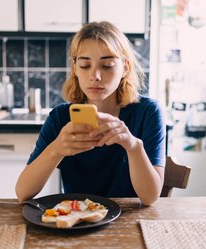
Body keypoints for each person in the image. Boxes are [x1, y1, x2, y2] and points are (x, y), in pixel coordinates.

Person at [15, 21, 165, 206]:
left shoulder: (148, 113)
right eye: (85, 65)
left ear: (125, 67)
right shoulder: (60, 118)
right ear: (75, 67)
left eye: (107, 65)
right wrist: (56, 149)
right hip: (78, 219)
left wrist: (133, 147)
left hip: (128, 220)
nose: (95, 76)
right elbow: (23, 193)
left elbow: (150, 198)